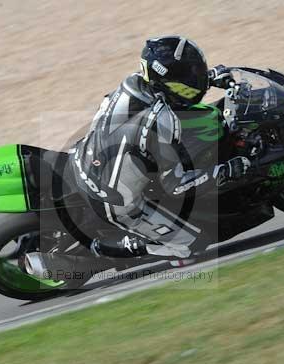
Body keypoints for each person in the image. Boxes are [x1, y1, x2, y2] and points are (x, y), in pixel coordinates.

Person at [71, 35, 250, 259]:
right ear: (168, 80)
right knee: (191, 243)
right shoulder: (161, 120)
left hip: (85, 157)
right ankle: (105, 250)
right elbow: (175, 186)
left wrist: (209, 78)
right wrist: (224, 171)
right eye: (188, 75)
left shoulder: (133, 82)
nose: (193, 78)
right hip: (113, 200)